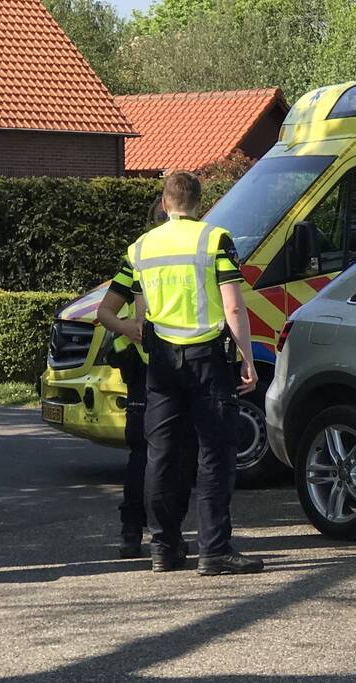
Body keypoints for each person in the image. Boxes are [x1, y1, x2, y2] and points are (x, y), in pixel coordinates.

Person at [128, 171, 262, 575]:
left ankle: (164, 549)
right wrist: (247, 357)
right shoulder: (214, 239)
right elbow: (234, 307)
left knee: (162, 455)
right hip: (207, 359)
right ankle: (214, 551)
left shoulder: (141, 247)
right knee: (214, 454)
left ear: (165, 204)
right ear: (199, 204)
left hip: (162, 363)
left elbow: (139, 312)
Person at [97, 198, 195, 559]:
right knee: (173, 452)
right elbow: (106, 311)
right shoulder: (154, 255)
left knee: (149, 453)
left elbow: (105, 311)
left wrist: (129, 328)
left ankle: (136, 532)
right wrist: (134, 329)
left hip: (148, 367)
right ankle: (157, 532)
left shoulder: (139, 255)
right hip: (166, 365)